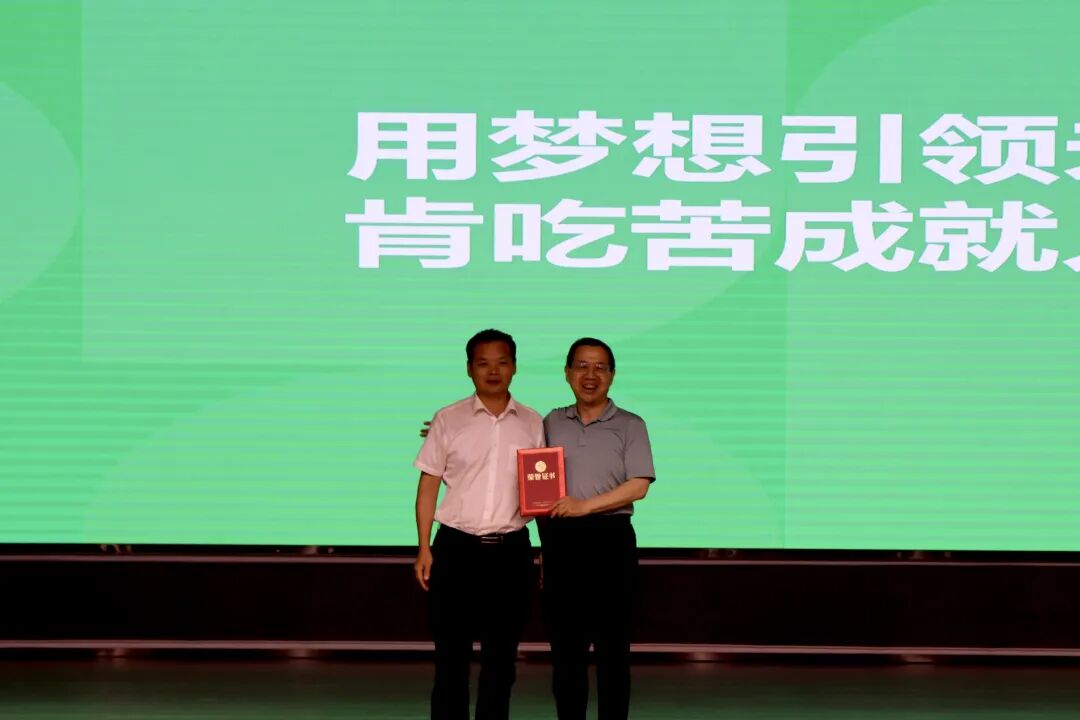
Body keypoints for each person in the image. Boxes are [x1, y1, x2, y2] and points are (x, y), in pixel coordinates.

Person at [413, 329, 545, 720]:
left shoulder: (533, 423)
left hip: (511, 552)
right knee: (450, 658)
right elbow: (427, 487)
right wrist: (424, 547)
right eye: (483, 363)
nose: (493, 371)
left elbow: (543, 494)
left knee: (501, 661)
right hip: (455, 550)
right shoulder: (448, 418)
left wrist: (546, 551)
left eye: (502, 362)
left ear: (515, 367)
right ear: (469, 369)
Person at [539, 337, 656, 720]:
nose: (591, 375)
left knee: (613, 651)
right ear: (567, 373)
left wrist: (584, 506)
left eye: (600, 367)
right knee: (565, 652)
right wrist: (452, 433)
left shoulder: (630, 424)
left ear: (612, 375)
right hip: (562, 544)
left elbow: (638, 486)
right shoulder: (551, 421)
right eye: (582, 366)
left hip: (611, 541)